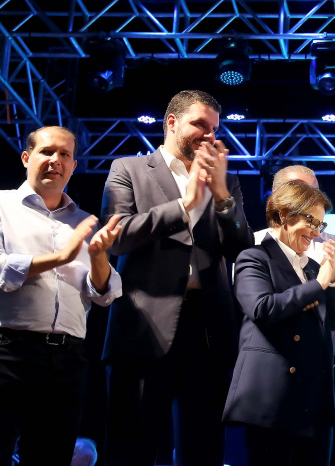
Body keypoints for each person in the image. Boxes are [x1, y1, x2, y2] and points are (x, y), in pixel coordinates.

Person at [101, 90, 253, 465]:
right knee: (132, 447)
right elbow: (116, 236)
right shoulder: (129, 169)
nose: (209, 135)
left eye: (215, 128)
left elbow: (243, 250)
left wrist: (220, 196)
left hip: (208, 330)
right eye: (199, 124)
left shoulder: (226, 182)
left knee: (203, 449)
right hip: (144, 326)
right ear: (171, 122)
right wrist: (184, 205)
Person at [0, 126, 123, 465]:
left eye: (65, 154)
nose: (56, 160)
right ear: (26, 158)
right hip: (8, 350)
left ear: (73, 165)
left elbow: (102, 294)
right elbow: (1, 269)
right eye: (47, 152)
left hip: (67, 358)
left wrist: (99, 259)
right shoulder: (2, 205)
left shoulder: (85, 222)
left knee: (51, 456)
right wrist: (62, 256)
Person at [223, 180, 335, 465]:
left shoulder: (315, 269)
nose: (317, 232)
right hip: (272, 402)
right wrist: (319, 284)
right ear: (282, 216)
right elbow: (262, 308)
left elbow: (332, 324)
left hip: (314, 403)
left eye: (321, 225)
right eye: (311, 221)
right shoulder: (254, 257)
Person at [253, 165, 335, 466]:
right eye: (299, 193)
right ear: (277, 199)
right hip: (275, 368)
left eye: (314, 193)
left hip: (331, 364)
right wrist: (320, 282)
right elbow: (260, 310)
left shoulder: (333, 244)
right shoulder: (254, 247)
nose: (308, 202)